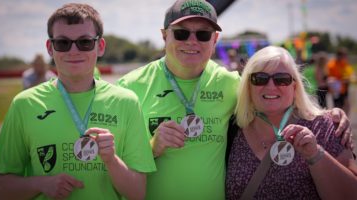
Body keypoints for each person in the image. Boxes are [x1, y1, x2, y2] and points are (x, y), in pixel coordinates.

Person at [116, 1, 352, 199]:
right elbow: (111, 163)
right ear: (164, 35)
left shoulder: (232, 84)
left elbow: (273, 95)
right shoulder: (129, 88)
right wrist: (152, 148)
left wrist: (329, 116)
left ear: (215, 39)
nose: (192, 41)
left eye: (202, 34)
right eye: (181, 33)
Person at [0, 3, 156, 200]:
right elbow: (2, 188)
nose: (73, 51)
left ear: (100, 46)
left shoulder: (126, 103)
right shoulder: (24, 104)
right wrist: (41, 184)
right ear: (50, 48)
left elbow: (137, 193)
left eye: (85, 42)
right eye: (63, 43)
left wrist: (111, 160)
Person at [226, 46, 357, 200]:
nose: (270, 86)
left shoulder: (326, 127)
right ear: (248, 86)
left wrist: (315, 155)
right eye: (260, 78)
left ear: (294, 86)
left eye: (282, 79)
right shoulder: (232, 129)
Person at [327, 47, 355, 114]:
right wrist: (339, 79)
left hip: (344, 89)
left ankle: (344, 119)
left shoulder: (345, 63)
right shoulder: (331, 64)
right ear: (339, 55)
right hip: (336, 89)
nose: (345, 57)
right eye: (344, 55)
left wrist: (350, 78)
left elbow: (351, 74)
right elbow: (329, 77)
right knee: (337, 107)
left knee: (346, 106)